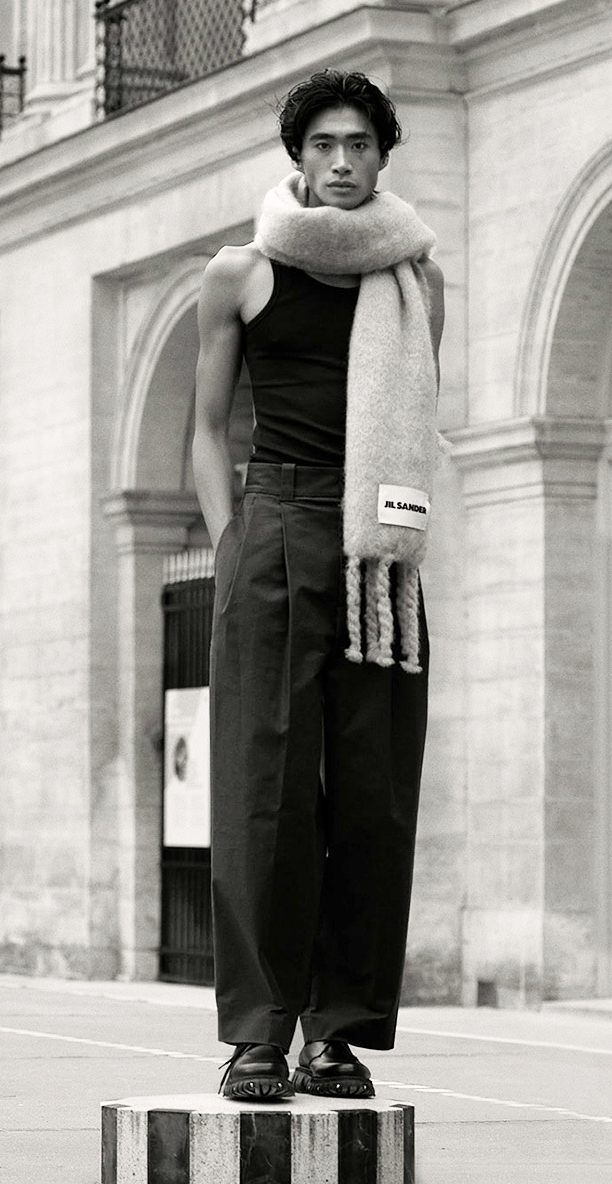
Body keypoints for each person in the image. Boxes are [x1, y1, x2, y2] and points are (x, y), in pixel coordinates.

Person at [192, 69, 445, 1101]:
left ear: (383, 156)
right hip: (274, 525)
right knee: (265, 793)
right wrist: (233, 546)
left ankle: (335, 1034)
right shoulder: (239, 274)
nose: (342, 162)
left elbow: (414, 424)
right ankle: (258, 1033)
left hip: (377, 552)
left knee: (373, 797)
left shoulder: (416, 282)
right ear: (296, 157)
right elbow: (206, 430)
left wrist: (398, 532)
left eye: (360, 145)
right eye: (324, 145)